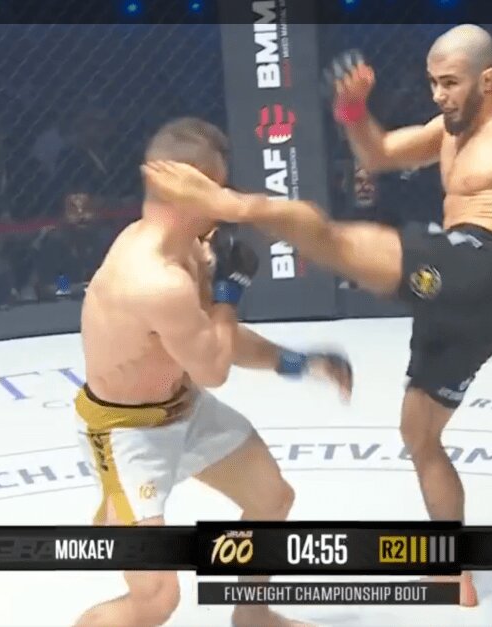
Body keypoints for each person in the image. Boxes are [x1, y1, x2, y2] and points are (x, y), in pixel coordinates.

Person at [140, 24, 492, 607]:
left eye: (450, 83)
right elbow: (377, 154)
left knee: (326, 235)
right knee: (420, 435)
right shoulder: (449, 130)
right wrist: (353, 112)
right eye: (433, 83)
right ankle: (453, 569)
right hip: (466, 307)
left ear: (488, 80)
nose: (439, 96)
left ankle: (225, 204)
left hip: (480, 267)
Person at [72, 116, 352, 627]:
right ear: (185, 187)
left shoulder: (188, 250)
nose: (224, 200)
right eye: (216, 188)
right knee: (155, 597)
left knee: (271, 498)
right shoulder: (154, 278)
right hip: (127, 435)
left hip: (185, 410)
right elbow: (213, 367)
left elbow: (212, 341)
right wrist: (230, 292)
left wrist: (295, 361)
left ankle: (252, 614)